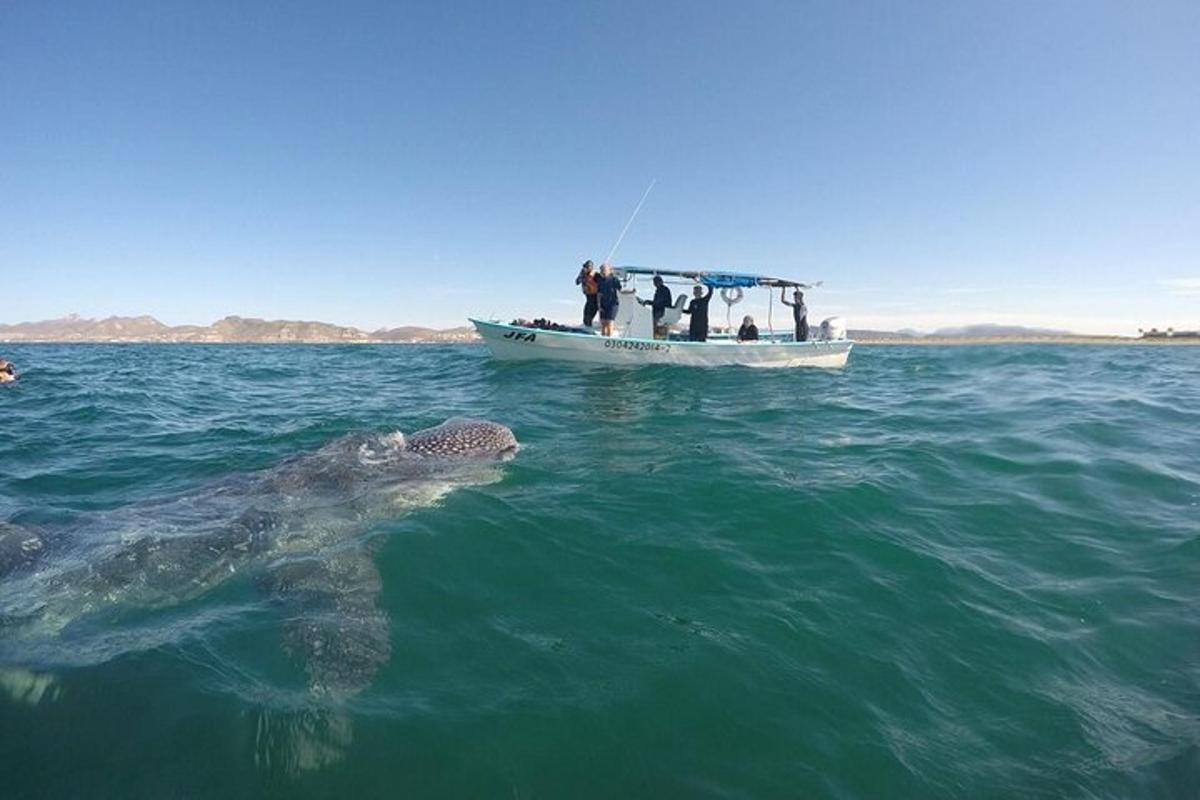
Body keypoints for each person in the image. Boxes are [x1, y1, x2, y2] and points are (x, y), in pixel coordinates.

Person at [595, 263, 623, 337]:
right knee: (603, 323)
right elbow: (599, 294)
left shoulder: (614, 279)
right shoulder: (600, 280)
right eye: (601, 270)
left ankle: (609, 338)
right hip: (603, 304)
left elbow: (621, 290)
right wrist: (599, 306)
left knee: (609, 322)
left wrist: (631, 291)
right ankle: (603, 339)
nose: (603, 272)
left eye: (604, 270)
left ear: (609, 270)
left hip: (613, 304)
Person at [575, 260, 599, 326]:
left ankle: (589, 326)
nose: (585, 268)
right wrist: (581, 275)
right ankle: (587, 326)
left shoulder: (595, 275)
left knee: (589, 316)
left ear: (591, 267)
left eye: (586, 267)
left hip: (595, 298)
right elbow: (577, 282)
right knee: (585, 316)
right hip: (588, 298)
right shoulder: (583, 275)